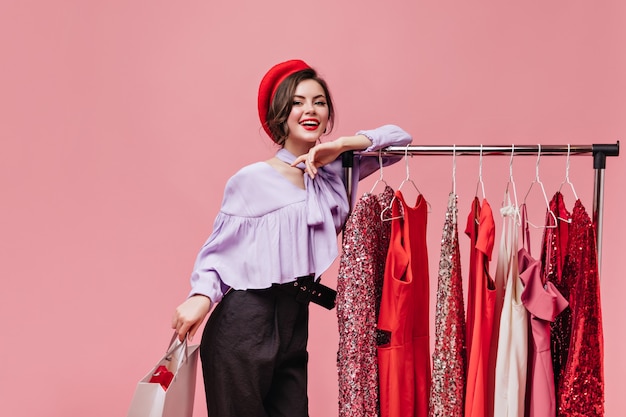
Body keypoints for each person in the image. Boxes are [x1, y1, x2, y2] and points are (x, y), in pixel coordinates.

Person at [171, 59, 412, 417]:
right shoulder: (252, 180)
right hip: (245, 323)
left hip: (295, 322)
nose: (310, 110)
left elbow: (401, 139)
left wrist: (342, 145)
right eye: (297, 102)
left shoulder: (339, 171)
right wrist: (201, 297)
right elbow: (219, 252)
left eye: (319, 101)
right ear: (280, 115)